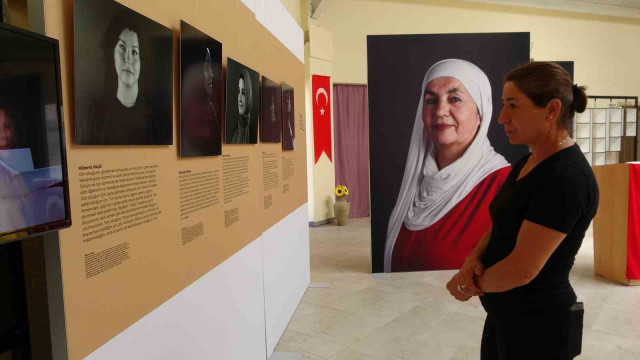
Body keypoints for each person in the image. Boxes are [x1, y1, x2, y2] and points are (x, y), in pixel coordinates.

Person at [446, 61, 599, 359]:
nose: (502, 117)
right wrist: (473, 258)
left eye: (513, 106)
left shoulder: (565, 178)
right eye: (503, 105)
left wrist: (468, 284)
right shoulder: (528, 162)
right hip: (507, 316)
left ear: (552, 110)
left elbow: (521, 269)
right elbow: (502, 222)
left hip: (538, 328)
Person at [384, 59, 511, 273]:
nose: (440, 110)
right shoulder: (416, 181)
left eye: (455, 99)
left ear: (481, 112)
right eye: (431, 100)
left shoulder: (504, 185)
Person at [78, 15, 152, 145]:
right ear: (111, 53)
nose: (128, 58)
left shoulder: (154, 117)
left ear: (141, 61)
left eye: (134, 52)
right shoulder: (95, 115)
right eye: (122, 48)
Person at [229, 69, 253, 144]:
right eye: (238, 91)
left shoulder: (253, 135)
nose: (239, 98)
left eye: (243, 93)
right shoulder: (232, 132)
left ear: (248, 96)